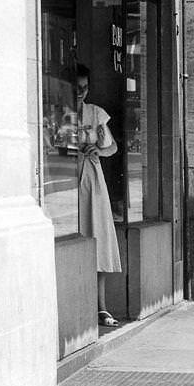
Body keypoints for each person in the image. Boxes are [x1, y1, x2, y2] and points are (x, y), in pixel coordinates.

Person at [75, 64, 122, 326]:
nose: (81, 92)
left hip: (92, 180)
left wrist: (98, 150)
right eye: (77, 87)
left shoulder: (96, 113)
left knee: (98, 235)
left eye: (85, 88)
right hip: (68, 178)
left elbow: (113, 146)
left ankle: (101, 306)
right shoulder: (60, 112)